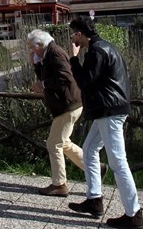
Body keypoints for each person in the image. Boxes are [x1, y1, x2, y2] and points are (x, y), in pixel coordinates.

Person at [66, 18, 143, 229]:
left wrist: (73, 59)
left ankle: (134, 214)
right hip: (108, 111)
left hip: (109, 112)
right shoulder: (107, 47)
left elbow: (83, 81)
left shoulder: (96, 52)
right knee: (90, 150)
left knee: (118, 162)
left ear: (81, 34)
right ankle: (94, 200)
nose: (73, 38)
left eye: (74, 35)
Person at [28, 29, 108, 197]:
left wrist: (42, 85)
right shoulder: (48, 54)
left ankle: (60, 184)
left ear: (41, 45)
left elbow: (66, 77)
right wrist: (37, 64)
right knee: (63, 142)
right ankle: (96, 167)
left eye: (33, 47)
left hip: (68, 105)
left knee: (53, 143)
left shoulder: (55, 53)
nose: (31, 50)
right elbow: (48, 76)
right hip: (70, 105)